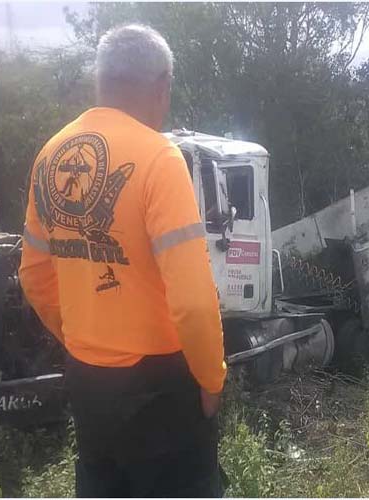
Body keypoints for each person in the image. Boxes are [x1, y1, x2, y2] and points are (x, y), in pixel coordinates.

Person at [19, 24, 227, 497]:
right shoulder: (159, 157)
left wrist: (83, 339)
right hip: (162, 391)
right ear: (161, 86)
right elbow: (193, 302)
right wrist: (211, 380)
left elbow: (33, 276)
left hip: (87, 384)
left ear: (102, 80)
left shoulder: (50, 156)